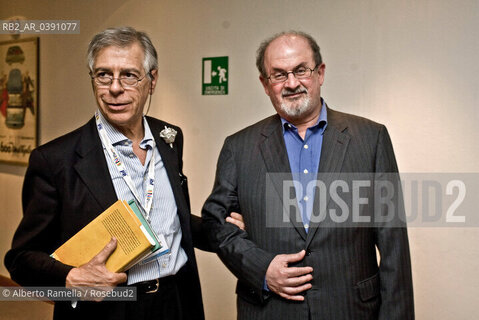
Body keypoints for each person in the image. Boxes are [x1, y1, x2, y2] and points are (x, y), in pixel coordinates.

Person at [4, 26, 243, 320]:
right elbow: (21, 260)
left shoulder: (169, 138)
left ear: (152, 80)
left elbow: (168, 221)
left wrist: (223, 228)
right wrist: (71, 279)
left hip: (178, 299)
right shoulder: (55, 160)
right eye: (104, 74)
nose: (115, 88)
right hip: (108, 309)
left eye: (129, 75)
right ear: (93, 80)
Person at [201, 31, 414, 319]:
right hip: (269, 311)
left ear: (320, 72)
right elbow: (216, 225)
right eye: (278, 75)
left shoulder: (370, 139)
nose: (292, 83)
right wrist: (260, 267)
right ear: (265, 84)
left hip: (351, 310)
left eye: (301, 70)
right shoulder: (238, 147)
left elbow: (394, 247)